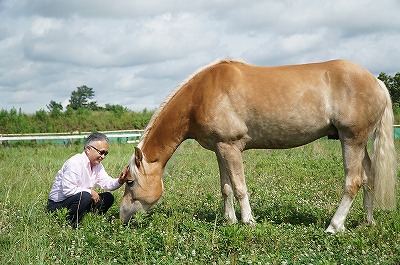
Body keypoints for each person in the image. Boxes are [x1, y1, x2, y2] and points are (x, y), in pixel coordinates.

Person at [47, 131, 128, 228]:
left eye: (106, 153)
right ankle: (70, 225)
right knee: (85, 196)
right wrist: (90, 192)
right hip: (58, 205)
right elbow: (68, 190)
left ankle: (92, 220)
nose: (103, 156)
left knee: (108, 197)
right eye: (101, 152)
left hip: (79, 200)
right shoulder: (75, 163)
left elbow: (107, 183)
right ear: (89, 149)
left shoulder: (97, 165)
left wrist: (120, 181)